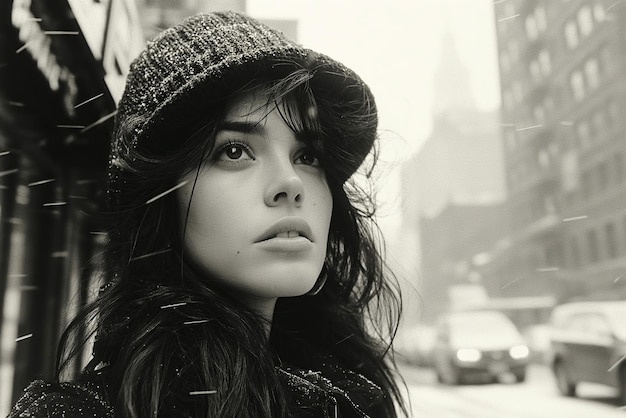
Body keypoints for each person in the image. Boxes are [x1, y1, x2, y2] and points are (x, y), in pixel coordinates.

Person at [9, 11, 405, 418]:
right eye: (234, 151)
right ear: (161, 196)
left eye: (308, 155)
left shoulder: (354, 396)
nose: (291, 182)